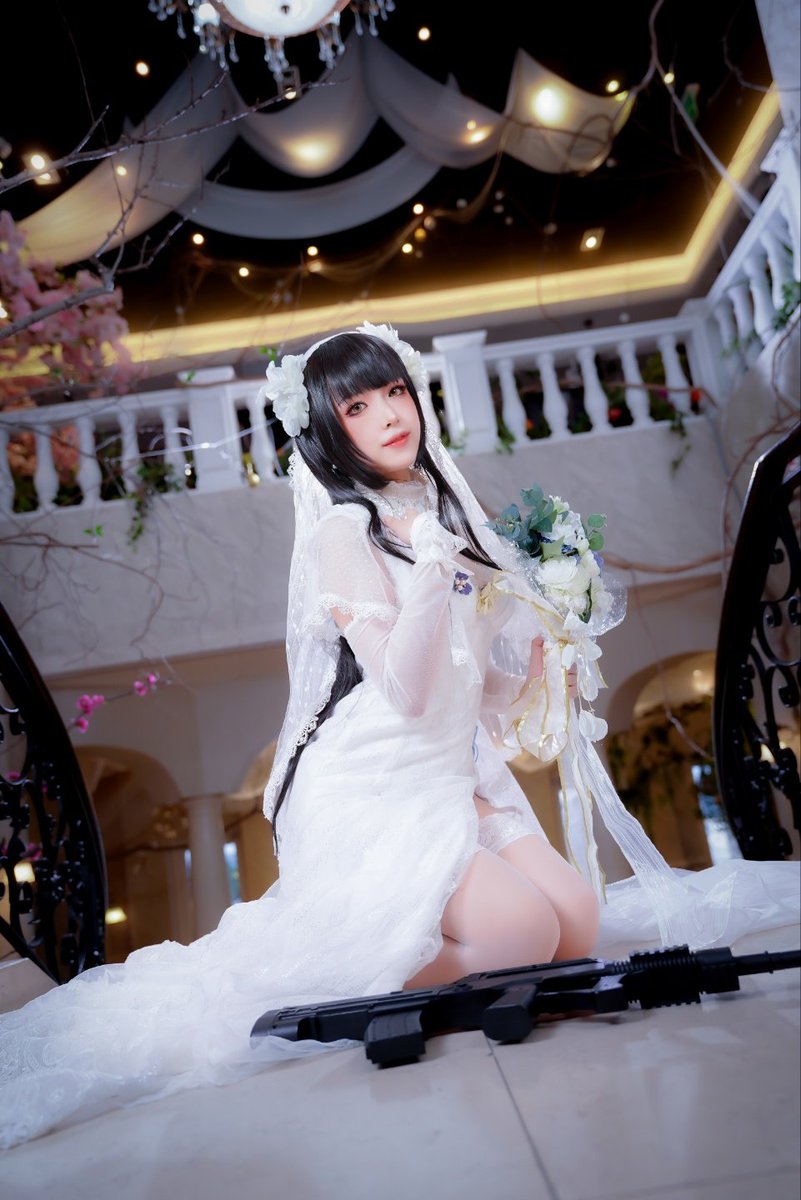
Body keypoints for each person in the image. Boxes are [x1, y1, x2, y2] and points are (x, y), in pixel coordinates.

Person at [0, 323, 797, 1151]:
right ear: (328, 428)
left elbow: (468, 689)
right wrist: (429, 572)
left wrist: (535, 670)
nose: (389, 414)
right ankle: (318, 985)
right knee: (520, 934)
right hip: (373, 778)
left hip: (452, 770)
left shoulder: (443, 510)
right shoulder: (344, 534)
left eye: (394, 392)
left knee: (576, 921)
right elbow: (406, 690)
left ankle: (452, 959)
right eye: (357, 405)